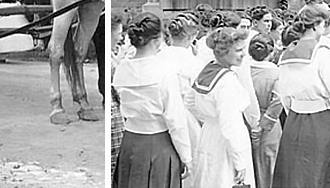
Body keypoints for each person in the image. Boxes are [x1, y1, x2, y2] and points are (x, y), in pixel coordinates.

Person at [113, 13, 194, 188]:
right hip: (159, 144)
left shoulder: (122, 68)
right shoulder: (164, 71)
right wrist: (186, 157)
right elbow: (175, 120)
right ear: (157, 40)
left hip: (130, 142)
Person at [272, 8, 330, 188]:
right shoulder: (321, 52)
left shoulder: (286, 53)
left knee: (293, 168)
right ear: (316, 25)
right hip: (319, 117)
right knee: (318, 168)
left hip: (294, 116)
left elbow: (283, 93)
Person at [188, 27, 257, 188]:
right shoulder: (227, 82)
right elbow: (229, 125)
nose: (244, 54)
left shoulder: (208, 69)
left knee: (209, 178)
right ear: (223, 52)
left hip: (209, 134)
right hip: (227, 144)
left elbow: (190, 102)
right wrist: (239, 162)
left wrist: (209, 118)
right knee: (223, 179)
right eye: (239, 50)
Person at [248, 35, 282, 188]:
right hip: (269, 124)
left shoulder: (242, 71)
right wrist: (264, 124)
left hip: (246, 121)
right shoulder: (276, 73)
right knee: (269, 164)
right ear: (272, 52)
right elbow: (277, 101)